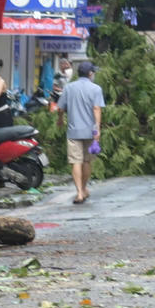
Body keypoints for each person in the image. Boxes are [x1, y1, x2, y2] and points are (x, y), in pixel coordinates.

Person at [59, 61, 105, 204]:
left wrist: (60, 119)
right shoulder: (96, 89)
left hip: (73, 131)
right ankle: (84, 188)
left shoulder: (69, 88)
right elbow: (96, 109)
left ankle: (79, 192)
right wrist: (97, 128)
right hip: (90, 131)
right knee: (86, 161)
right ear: (90, 73)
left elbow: (60, 108)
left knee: (75, 162)